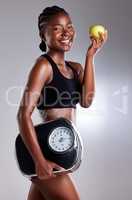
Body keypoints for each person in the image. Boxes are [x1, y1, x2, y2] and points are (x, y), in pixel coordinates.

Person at [17, 5, 108, 200]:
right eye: (57, 28)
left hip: (63, 149)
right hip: (44, 152)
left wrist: (90, 56)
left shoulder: (75, 69)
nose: (66, 33)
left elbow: (86, 101)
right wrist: (40, 161)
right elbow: (23, 115)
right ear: (43, 34)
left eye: (69, 27)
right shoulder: (43, 66)